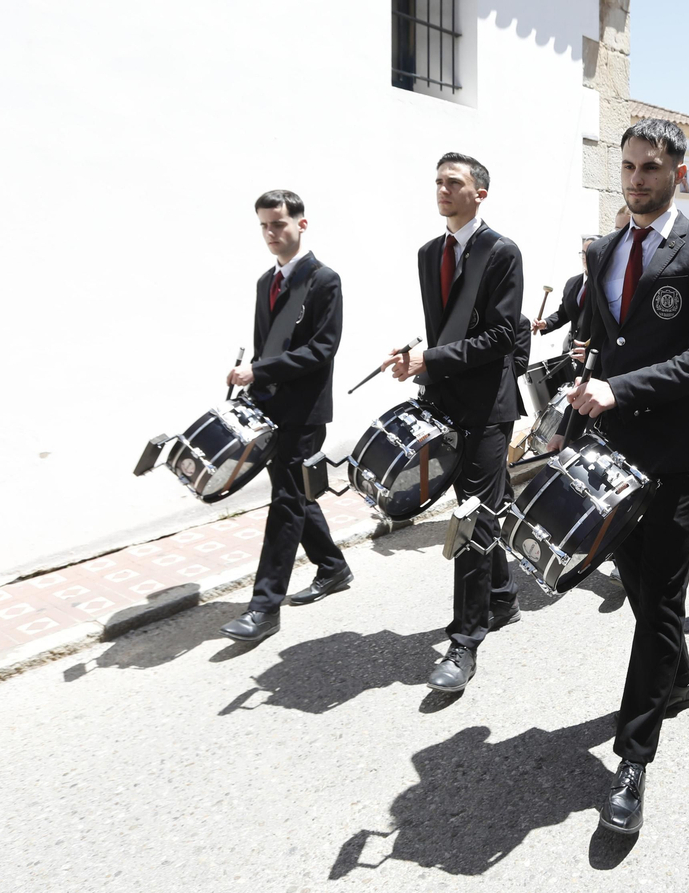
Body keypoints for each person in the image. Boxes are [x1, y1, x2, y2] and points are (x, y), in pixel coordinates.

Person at [565, 118, 689, 835]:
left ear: (677, 169)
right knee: (641, 592)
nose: (636, 179)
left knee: (661, 602)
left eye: (649, 168)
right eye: (628, 167)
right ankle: (682, 679)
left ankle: (633, 758)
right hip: (610, 453)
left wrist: (620, 388)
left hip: (671, 456)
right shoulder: (602, 248)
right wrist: (580, 373)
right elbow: (601, 340)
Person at [381, 153, 524, 692]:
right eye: (438, 181)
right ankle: (504, 597)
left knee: (469, 516)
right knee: (487, 509)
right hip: (445, 401)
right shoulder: (428, 254)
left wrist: (432, 360)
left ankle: (464, 641)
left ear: (480, 193)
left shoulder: (501, 252)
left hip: (489, 407)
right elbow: (444, 332)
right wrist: (416, 356)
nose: (442, 189)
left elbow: (502, 338)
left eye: (454, 182)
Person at [220, 190, 351, 642]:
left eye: (279, 224)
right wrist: (251, 385)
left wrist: (259, 370)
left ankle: (264, 608)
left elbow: (321, 349)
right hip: (271, 407)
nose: (272, 233)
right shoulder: (265, 283)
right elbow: (264, 348)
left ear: (302, 224)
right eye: (264, 226)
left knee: (285, 503)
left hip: (306, 412)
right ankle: (332, 567)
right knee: (293, 494)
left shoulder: (323, 280)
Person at [535, 235, 597, 352]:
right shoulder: (572, 283)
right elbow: (564, 313)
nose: (585, 257)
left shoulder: (606, 286)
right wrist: (546, 323)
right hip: (571, 349)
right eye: (583, 253)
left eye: (589, 253)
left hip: (593, 352)